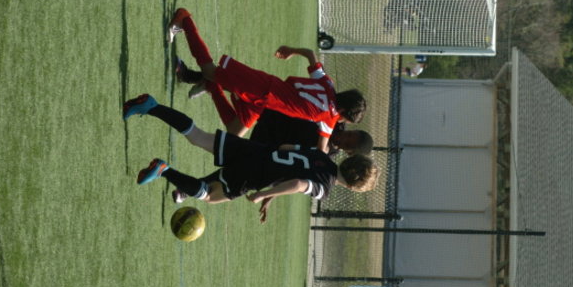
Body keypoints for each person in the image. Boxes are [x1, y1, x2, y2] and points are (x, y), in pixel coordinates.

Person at [123, 94, 380, 223]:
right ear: (353, 187)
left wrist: (273, 177)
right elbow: (298, 184)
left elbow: (287, 148)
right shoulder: (324, 187)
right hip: (254, 174)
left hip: (256, 151)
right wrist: (264, 193)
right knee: (210, 195)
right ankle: (163, 170)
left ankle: (151, 106)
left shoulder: (321, 155)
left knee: (197, 136)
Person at [167, 8, 367, 153]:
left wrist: (292, 51)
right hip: (263, 90)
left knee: (235, 132)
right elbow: (322, 149)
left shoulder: (328, 85)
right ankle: (185, 20)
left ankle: (211, 86)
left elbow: (310, 54)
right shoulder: (329, 117)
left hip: (265, 98)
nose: (343, 122)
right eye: (345, 119)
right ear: (342, 111)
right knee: (210, 71)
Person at [175, 58, 374, 156]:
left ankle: (210, 85)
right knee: (235, 86)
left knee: (234, 131)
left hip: (270, 138)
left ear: (348, 152)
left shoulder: (326, 153)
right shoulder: (334, 119)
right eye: (349, 134)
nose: (344, 138)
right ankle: (193, 76)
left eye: (347, 143)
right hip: (275, 110)